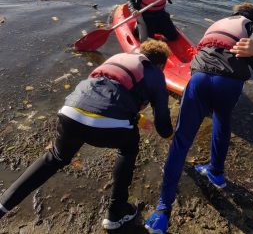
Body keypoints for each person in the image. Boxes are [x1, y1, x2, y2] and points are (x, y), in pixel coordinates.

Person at [0, 40, 173, 231]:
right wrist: (172, 135)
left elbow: (105, 93)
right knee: (128, 148)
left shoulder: (117, 59)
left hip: (70, 112)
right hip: (109, 125)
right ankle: (116, 212)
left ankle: (3, 205)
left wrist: (137, 117)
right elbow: (163, 126)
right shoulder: (155, 73)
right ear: (160, 64)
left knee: (55, 158)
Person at [145, 2, 253, 234]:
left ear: (234, 13)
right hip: (229, 82)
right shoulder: (250, 24)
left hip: (200, 77)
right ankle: (216, 173)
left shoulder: (219, 23)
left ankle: (162, 212)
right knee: (222, 124)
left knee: (182, 139)